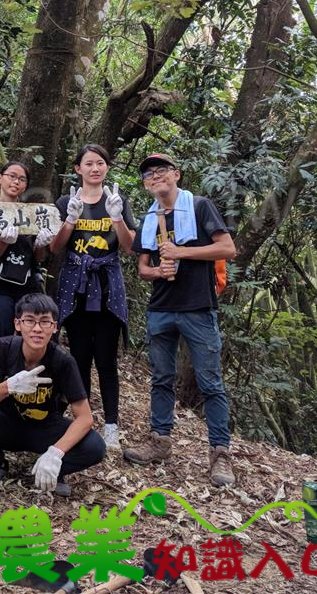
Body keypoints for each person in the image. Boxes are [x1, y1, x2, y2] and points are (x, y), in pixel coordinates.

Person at [123, 153, 238, 487]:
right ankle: (159, 440)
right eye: (148, 174)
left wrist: (181, 252)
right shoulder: (150, 217)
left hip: (198, 308)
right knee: (161, 377)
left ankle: (220, 453)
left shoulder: (200, 207)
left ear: (176, 174)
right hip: (161, 307)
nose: (155, 176)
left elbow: (228, 248)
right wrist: (158, 269)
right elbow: (143, 268)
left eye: (161, 170)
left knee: (210, 382)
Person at [0, 294, 106, 497]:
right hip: (7, 424)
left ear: (54, 327)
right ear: (18, 324)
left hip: (45, 428)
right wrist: (9, 386)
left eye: (45, 322)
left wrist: (56, 452)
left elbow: (85, 417)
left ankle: (53, 470)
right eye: (29, 321)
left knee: (95, 446)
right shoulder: (3, 347)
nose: (37, 329)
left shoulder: (63, 361)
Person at [39, 145, 136, 452]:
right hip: (75, 285)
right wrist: (69, 220)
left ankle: (111, 425)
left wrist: (118, 218)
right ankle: (83, 420)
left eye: (101, 163)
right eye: (89, 163)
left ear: (107, 168)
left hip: (107, 285)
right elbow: (54, 247)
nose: (95, 168)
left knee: (106, 358)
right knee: (78, 355)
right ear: (78, 168)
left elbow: (131, 247)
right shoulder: (67, 201)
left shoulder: (117, 200)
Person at [0, 161, 41, 353]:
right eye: (12, 176)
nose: (16, 182)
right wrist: (3, 242)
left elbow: (39, 258)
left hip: (27, 286)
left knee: (29, 338)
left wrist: (41, 244)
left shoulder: (31, 214)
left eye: (22, 179)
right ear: (0, 178)